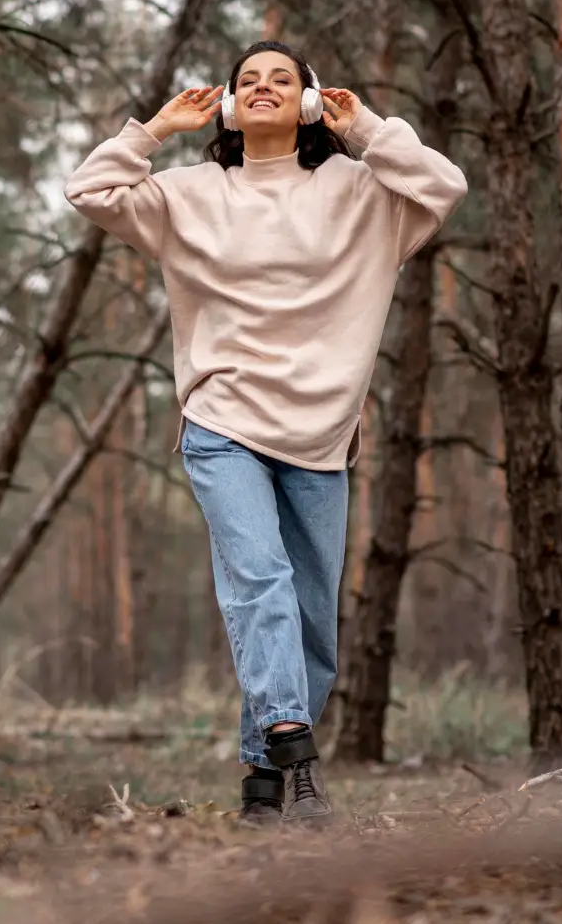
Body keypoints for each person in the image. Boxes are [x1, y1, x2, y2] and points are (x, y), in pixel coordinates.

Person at [63, 41, 468, 825]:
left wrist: (369, 130)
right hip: (222, 421)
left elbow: (444, 184)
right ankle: (294, 749)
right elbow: (89, 188)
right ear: (225, 105)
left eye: (283, 79)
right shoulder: (188, 193)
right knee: (261, 584)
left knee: (312, 621)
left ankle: (259, 785)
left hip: (321, 435)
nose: (263, 88)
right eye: (247, 79)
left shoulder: (362, 195)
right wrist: (153, 130)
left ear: (311, 101)